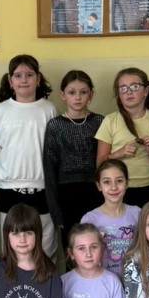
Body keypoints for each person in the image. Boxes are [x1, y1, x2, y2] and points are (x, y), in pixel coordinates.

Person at [0, 54, 58, 257]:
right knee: (12, 247)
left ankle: (44, 278)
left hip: (42, 187)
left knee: (44, 245)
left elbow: (54, 150)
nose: (24, 80)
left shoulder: (49, 110)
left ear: (38, 79)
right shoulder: (1, 111)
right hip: (9, 188)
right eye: (18, 75)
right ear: (10, 81)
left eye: (29, 74)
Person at [43, 69, 103, 239]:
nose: (78, 97)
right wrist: (55, 211)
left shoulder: (100, 122)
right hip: (66, 196)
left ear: (91, 94)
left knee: (96, 242)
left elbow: (106, 164)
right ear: (63, 95)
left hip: (95, 192)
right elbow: (49, 169)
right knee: (72, 245)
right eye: (72, 92)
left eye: (83, 92)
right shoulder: (55, 126)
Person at [95, 68, 149, 206]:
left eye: (134, 87)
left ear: (146, 91)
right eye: (123, 88)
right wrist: (119, 153)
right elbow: (99, 163)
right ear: (118, 96)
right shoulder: (110, 120)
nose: (128, 92)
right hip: (119, 188)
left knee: (148, 220)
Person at [81, 158, 140, 276]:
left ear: (127, 183)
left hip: (134, 280)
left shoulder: (138, 213)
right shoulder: (90, 220)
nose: (114, 187)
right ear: (99, 185)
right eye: (107, 182)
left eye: (119, 181)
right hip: (104, 282)